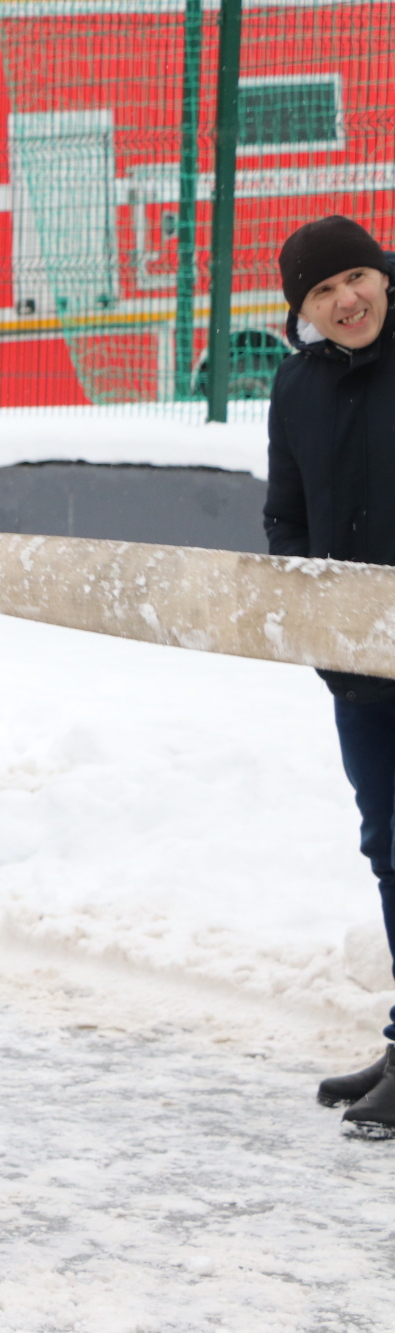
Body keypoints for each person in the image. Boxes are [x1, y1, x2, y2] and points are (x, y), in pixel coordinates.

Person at [265, 215, 395, 1138]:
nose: (347, 300)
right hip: (360, 668)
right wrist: (317, 622)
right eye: (324, 290)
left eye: (358, 276)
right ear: (303, 311)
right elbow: (287, 517)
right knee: (389, 848)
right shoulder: (296, 386)